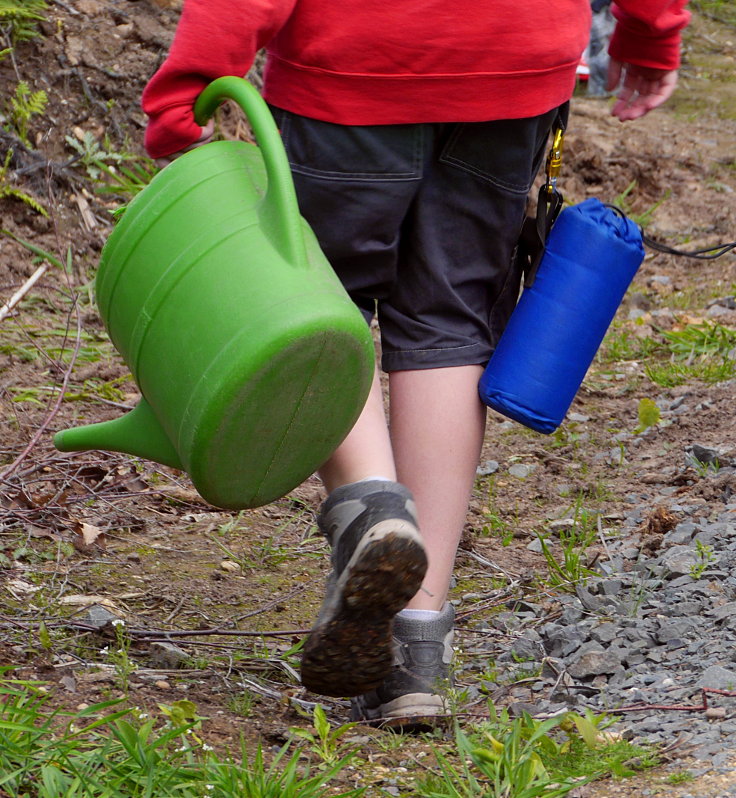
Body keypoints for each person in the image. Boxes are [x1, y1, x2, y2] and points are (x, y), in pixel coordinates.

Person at [141, 0, 690, 728]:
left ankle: (373, 508)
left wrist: (191, 83)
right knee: (451, 320)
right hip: (514, 60)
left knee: (323, 297)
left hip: (354, 60)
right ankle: (418, 643)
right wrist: (650, 34)